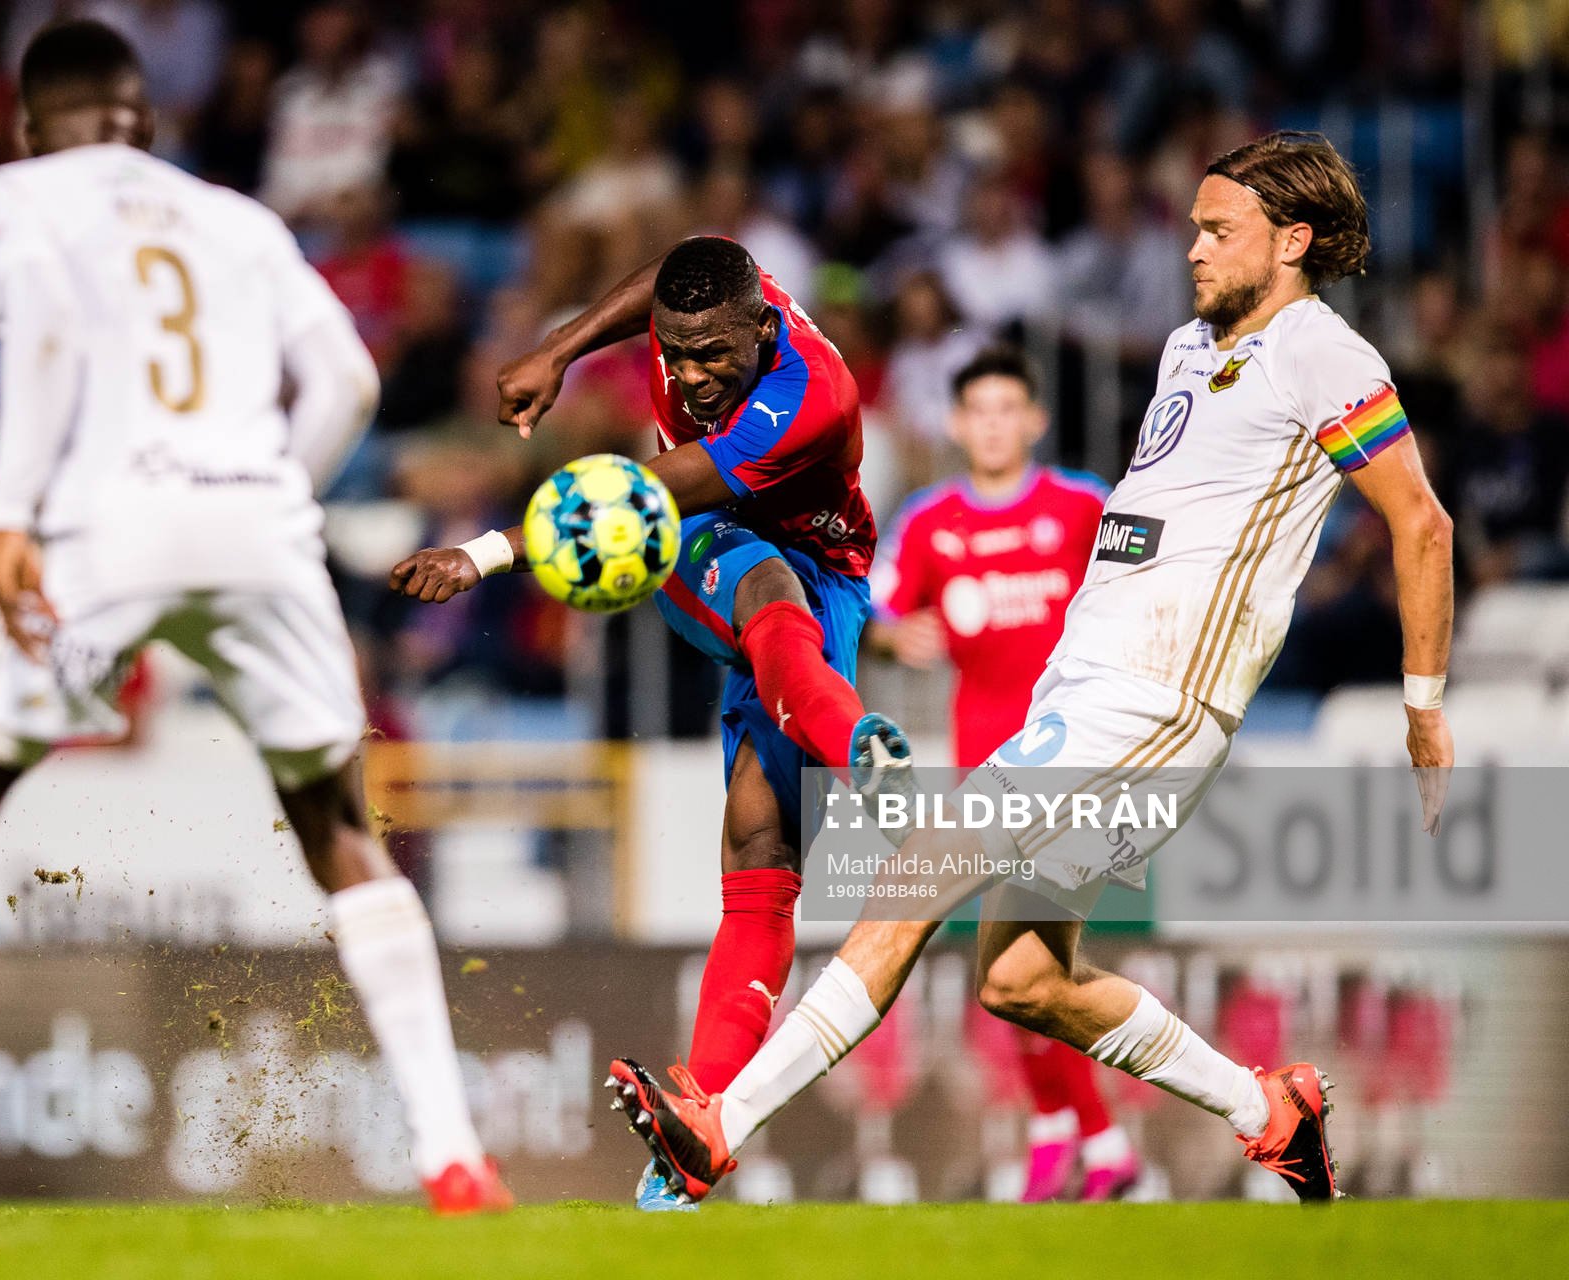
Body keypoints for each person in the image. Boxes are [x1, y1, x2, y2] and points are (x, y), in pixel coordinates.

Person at [607, 131, 1456, 1206]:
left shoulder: (1325, 354)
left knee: (920, 869)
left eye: (1217, 230)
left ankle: (718, 1127)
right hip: (1089, 684)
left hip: (1160, 695)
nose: (1193, 248)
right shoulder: (1190, 347)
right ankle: (1269, 1112)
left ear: (1292, 241)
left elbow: (1422, 524)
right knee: (1021, 977)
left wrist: (1424, 710)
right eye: (1194, 226)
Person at [0, 21, 509, 1219]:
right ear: (145, 122)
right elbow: (350, 379)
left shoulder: (2, 199)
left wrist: (8, 511)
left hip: (108, 521)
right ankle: (454, 1154)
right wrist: (277, 493)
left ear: (29, 129)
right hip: (258, 521)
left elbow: (45, 325)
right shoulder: (237, 218)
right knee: (338, 826)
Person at [390, 235, 913, 1211]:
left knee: (762, 847)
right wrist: (559, 349)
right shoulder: (717, 295)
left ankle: (691, 1136)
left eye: (715, 355)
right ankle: (862, 751)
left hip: (823, 571)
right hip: (704, 541)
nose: (694, 376)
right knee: (763, 594)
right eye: (677, 355)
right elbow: (665, 279)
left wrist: (486, 553)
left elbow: (631, 497)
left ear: (763, 330)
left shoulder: (811, 397)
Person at [865, 346, 1138, 1202]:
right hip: (983, 766)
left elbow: (1148, 579)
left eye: (1006, 409)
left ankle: (1085, 1137)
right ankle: (1076, 1136)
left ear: (1034, 420)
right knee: (1008, 967)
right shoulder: (930, 522)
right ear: (956, 424)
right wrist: (890, 635)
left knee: (1027, 958)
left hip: (1076, 765)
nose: (991, 425)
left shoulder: (1083, 505)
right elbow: (874, 604)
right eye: (977, 411)